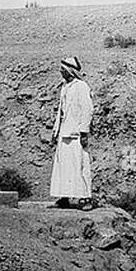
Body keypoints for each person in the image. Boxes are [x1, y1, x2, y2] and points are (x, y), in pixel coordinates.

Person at [49, 55, 93, 209]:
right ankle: (64, 196)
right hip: (64, 132)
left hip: (76, 133)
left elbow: (87, 110)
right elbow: (60, 113)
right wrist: (55, 131)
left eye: (63, 69)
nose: (61, 72)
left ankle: (86, 198)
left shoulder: (81, 86)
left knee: (80, 165)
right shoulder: (65, 87)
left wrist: (84, 132)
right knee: (64, 165)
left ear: (70, 71)